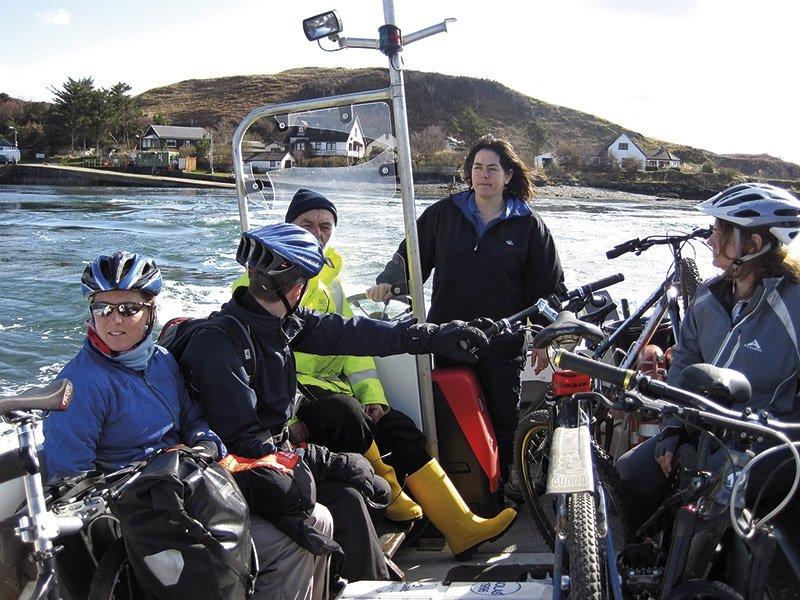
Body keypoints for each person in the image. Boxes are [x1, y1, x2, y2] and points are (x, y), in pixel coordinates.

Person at [179, 222, 491, 580]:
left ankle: (367, 583)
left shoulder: (279, 323)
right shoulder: (219, 344)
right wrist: (323, 465)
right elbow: (245, 443)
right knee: (350, 489)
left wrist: (434, 336)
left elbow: (360, 335)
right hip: (239, 474)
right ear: (298, 286)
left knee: (360, 493)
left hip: (270, 458)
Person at [232, 189, 518, 559]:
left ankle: (460, 525)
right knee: (345, 415)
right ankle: (391, 494)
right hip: (294, 401)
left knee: (397, 426)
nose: (318, 233)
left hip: (334, 389)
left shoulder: (330, 281)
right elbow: (267, 363)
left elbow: (350, 342)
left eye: (325, 226)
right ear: (288, 228)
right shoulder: (263, 285)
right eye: (307, 225)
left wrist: (375, 398)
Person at [43, 251, 332, 600]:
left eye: (128, 309)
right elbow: (70, 482)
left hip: (190, 485)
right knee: (293, 545)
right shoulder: (81, 384)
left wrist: (202, 447)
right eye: (102, 308)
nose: (114, 320)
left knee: (316, 518)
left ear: (152, 311)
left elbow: (194, 421)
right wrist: (151, 474)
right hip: (147, 514)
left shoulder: (161, 361)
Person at [366, 135, 565, 484]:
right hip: (449, 338)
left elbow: (547, 288)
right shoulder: (444, 214)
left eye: (492, 169)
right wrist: (390, 283)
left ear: (507, 176)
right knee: (455, 420)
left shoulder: (529, 226)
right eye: (477, 168)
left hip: (502, 343)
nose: (483, 175)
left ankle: (499, 490)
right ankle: (463, 491)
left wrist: (546, 338)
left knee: (501, 420)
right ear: (468, 173)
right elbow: (412, 258)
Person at [616, 182, 800, 506]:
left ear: (753, 243)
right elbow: (685, 357)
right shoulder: (709, 295)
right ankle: (647, 555)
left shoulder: (794, 304)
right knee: (628, 474)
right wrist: (673, 427)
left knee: (710, 493)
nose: (710, 239)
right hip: (702, 427)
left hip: (763, 441)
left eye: (719, 231)